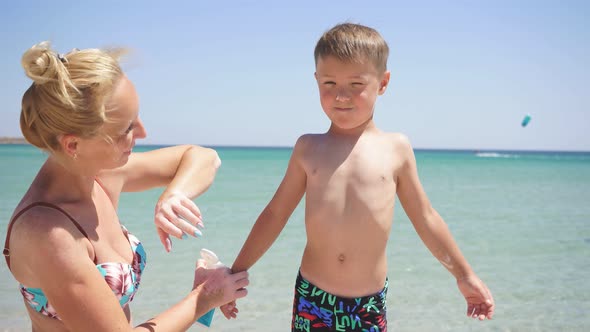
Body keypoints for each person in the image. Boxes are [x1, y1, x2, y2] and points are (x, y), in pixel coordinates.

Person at [224, 23, 495, 331]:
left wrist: (464, 275)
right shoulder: (308, 148)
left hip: (368, 304)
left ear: (383, 82)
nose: (341, 96)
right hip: (314, 297)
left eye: (356, 84)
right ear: (316, 82)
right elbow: (275, 214)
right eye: (329, 83)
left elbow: (426, 218)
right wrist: (236, 272)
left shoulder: (396, 148)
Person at [2, 42, 248, 331]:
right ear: (73, 144)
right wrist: (204, 298)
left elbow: (204, 157)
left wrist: (174, 195)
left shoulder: (101, 176)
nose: (143, 132)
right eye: (127, 129)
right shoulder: (47, 234)